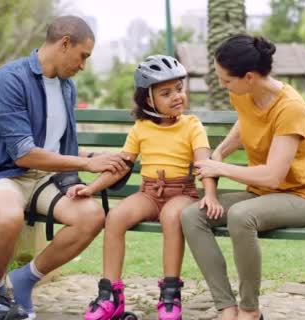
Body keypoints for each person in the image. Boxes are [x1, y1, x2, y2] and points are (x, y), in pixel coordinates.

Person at [0, 15, 128, 319]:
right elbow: (24, 154)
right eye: (83, 56)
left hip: (47, 178)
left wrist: (102, 159)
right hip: (5, 176)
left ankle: (25, 279)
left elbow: (56, 143)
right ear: (64, 43)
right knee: (7, 217)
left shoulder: (67, 87)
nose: (83, 65)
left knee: (92, 215)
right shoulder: (9, 79)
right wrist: (87, 163)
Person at [181, 34, 305, 320]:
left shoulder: (290, 107)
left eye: (226, 80)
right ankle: (226, 306)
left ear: (249, 77)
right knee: (191, 216)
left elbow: (272, 176)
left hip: (299, 198)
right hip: (260, 196)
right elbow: (244, 122)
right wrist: (219, 152)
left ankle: (250, 309)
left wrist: (219, 168)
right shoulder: (243, 93)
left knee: (240, 216)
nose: (223, 86)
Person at [70, 55, 222, 320]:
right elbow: (121, 166)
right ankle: (110, 295)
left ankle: (170, 293)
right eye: (166, 93)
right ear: (149, 100)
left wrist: (209, 194)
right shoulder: (141, 128)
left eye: (179, 89)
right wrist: (91, 188)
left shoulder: (192, 125)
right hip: (149, 193)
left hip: (182, 193)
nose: (177, 96)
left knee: (171, 217)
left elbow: (204, 163)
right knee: (115, 217)